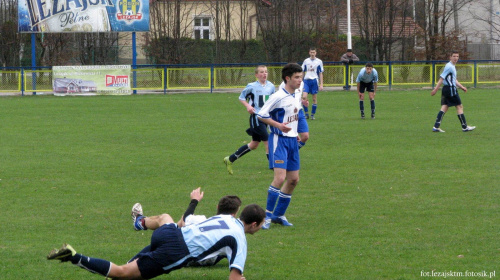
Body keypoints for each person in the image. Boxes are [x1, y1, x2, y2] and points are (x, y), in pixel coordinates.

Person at [47, 201, 266, 280]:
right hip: (175, 252)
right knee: (122, 273)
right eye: (262, 224)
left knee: (164, 219)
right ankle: (75, 257)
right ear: (253, 225)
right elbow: (234, 277)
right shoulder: (239, 239)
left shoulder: (225, 217)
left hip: (170, 234)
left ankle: (140, 222)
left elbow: (187, 223)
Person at [130, 188, 241, 267]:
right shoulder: (234, 231)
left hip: (182, 252)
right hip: (204, 259)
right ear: (234, 214)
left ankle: (140, 222)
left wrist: (194, 201)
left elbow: (186, 218)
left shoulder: (202, 220)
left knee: (166, 220)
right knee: (178, 228)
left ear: (217, 207)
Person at [257, 63, 303, 229]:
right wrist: (278, 125)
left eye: (300, 76)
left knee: (293, 180)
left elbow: (294, 114)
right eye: (297, 77)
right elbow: (261, 115)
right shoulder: (277, 96)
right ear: (287, 78)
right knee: (280, 178)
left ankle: (279, 215)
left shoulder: (297, 94)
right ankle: (267, 217)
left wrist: (295, 131)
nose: (300, 80)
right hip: (279, 140)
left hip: (292, 140)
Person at [224, 65, 275, 175]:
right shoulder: (251, 86)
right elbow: (241, 97)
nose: (264, 74)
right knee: (267, 140)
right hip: (256, 117)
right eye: (261, 72)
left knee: (254, 144)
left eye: (266, 72)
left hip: (266, 117)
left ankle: (230, 159)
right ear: (256, 75)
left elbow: (272, 100)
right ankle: (273, 166)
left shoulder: (271, 86)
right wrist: (248, 106)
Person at [431, 51, 475, 132]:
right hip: (450, 89)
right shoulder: (449, 66)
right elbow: (441, 78)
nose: (456, 58)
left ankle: (436, 126)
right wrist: (435, 89)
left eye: (457, 56)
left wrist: (461, 87)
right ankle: (465, 127)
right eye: (454, 56)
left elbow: (453, 80)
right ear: (450, 57)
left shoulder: (451, 66)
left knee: (445, 107)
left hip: (447, 89)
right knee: (459, 106)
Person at [279, 81, 309, 149]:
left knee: (305, 136)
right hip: (289, 112)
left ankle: (293, 151)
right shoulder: (284, 84)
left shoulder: (302, 83)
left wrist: (302, 101)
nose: (299, 78)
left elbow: (297, 97)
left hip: (300, 111)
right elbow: (281, 99)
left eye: (301, 75)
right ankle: (289, 153)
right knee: (291, 137)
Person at [301, 48, 324, 120]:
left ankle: (312, 115)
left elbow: (320, 73)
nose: (312, 54)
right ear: (309, 52)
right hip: (306, 81)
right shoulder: (306, 61)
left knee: (314, 98)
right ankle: (306, 113)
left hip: (314, 81)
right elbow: (303, 72)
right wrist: (301, 81)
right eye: (311, 52)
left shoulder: (319, 61)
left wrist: (321, 84)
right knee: (304, 97)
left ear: (316, 53)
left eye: (314, 52)